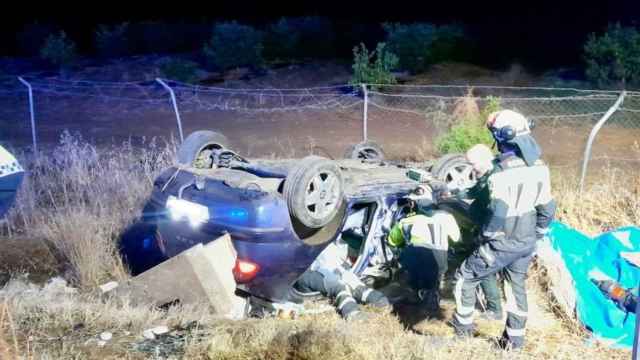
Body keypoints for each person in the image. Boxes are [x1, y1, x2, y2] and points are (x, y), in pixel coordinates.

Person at [451, 110, 557, 350]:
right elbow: (548, 208)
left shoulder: (501, 171)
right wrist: (537, 234)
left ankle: (462, 335)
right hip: (526, 241)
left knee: (464, 278)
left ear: (503, 137)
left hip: (502, 241)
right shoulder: (539, 166)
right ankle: (513, 344)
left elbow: (499, 211)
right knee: (515, 286)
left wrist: (485, 235)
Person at [387, 189, 461, 311]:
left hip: (420, 259)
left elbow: (392, 242)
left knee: (411, 270)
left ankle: (416, 296)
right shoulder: (443, 218)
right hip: (440, 260)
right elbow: (456, 239)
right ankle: (431, 299)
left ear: (413, 205)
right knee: (433, 280)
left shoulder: (406, 221)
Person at [295, 237, 391, 321]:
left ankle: (377, 300)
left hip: (325, 266)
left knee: (349, 278)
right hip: (304, 274)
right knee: (338, 285)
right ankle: (352, 313)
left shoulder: (327, 236)